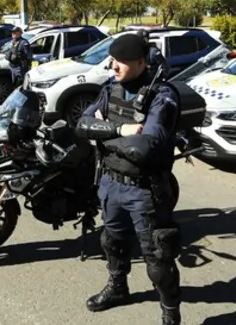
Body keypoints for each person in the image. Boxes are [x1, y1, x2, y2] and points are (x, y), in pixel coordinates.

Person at [74, 34, 183, 325]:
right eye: (112, 60)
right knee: (113, 242)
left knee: (158, 258)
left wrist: (102, 134)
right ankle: (118, 288)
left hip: (145, 191)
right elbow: (82, 125)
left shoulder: (163, 96)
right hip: (111, 184)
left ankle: (171, 314)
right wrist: (121, 131)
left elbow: (144, 148)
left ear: (141, 62)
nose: (114, 66)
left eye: (121, 61)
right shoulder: (110, 89)